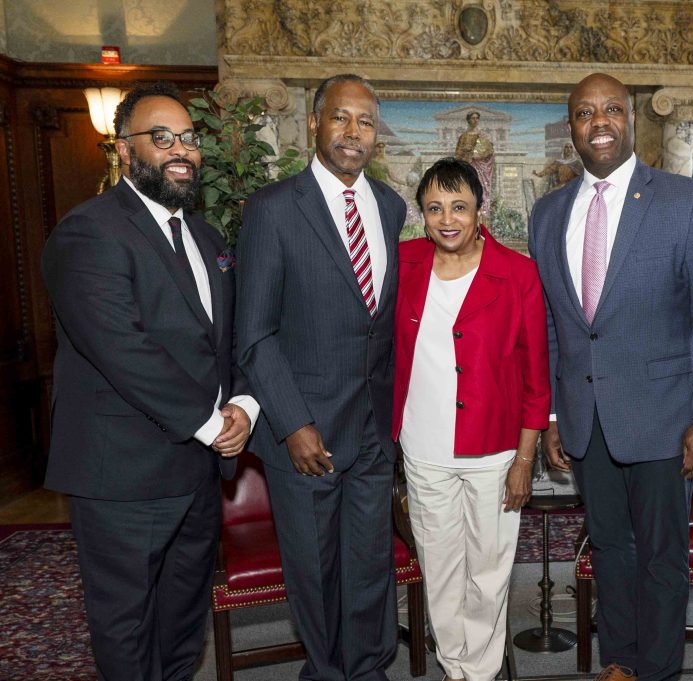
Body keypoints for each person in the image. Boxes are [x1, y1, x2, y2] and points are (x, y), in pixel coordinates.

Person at [528, 73, 693, 681]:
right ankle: (621, 663)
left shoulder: (682, 200)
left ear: (631, 119)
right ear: (570, 127)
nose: (598, 122)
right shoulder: (547, 214)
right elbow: (552, 322)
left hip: (667, 420)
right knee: (611, 553)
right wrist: (548, 416)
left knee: (661, 560)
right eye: (584, 112)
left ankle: (660, 671)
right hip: (586, 421)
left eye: (611, 110)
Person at [41, 81, 257, 680]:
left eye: (188, 138)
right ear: (124, 149)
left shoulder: (207, 238)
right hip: (122, 477)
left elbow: (226, 341)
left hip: (195, 472)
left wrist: (242, 402)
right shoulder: (89, 232)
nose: (180, 150)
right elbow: (123, 351)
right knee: (127, 626)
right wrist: (214, 424)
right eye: (160, 138)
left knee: (184, 620)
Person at [235, 73, 406, 681]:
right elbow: (253, 334)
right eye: (341, 118)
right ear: (315, 122)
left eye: (365, 121)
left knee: (369, 566)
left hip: (370, 433)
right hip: (305, 434)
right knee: (315, 570)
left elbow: (376, 325)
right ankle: (327, 673)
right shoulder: (274, 209)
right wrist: (292, 424)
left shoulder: (390, 207)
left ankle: (368, 670)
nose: (354, 132)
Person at [392, 157, 550, 681]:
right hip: (423, 449)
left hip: (495, 450)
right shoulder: (404, 263)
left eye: (459, 206)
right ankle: (454, 664)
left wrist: (524, 459)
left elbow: (535, 375)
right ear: (422, 214)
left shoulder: (518, 273)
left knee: (488, 571)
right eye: (434, 208)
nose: (447, 219)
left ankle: (477, 672)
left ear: (480, 208)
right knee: (439, 571)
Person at [454, 110, 495, 215]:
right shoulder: (463, 136)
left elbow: (489, 151)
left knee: (480, 190)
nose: (475, 120)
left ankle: (482, 214)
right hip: (467, 167)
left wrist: (477, 155)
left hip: (480, 168)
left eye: (477, 118)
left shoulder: (483, 136)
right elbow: (458, 154)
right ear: (468, 120)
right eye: (473, 118)